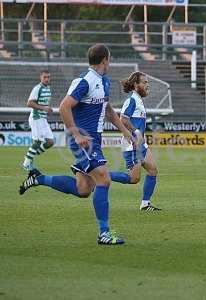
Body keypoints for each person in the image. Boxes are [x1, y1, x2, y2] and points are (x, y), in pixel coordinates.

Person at [19, 44, 134, 245]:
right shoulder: (85, 81)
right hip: (83, 141)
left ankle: (38, 178)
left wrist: (124, 131)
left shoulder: (103, 82)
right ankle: (104, 233)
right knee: (104, 180)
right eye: (110, 59)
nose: (110, 62)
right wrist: (75, 133)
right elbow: (64, 107)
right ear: (105, 60)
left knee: (83, 189)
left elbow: (108, 111)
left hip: (93, 141)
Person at [109, 71, 161, 212]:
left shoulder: (138, 100)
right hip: (132, 144)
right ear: (135, 85)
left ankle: (145, 203)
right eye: (144, 82)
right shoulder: (131, 100)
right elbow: (123, 119)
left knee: (152, 170)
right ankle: (100, 174)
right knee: (134, 178)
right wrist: (135, 131)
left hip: (141, 145)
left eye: (147, 82)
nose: (147, 85)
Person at [22, 70, 54, 171]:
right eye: (45, 77)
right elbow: (29, 103)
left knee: (50, 142)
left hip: (43, 119)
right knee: (38, 142)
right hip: (36, 118)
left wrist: (48, 109)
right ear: (40, 77)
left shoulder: (48, 88)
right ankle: (26, 163)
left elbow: (45, 104)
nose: (47, 79)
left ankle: (29, 156)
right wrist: (43, 108)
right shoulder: (37, 88)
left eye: (48, 77)